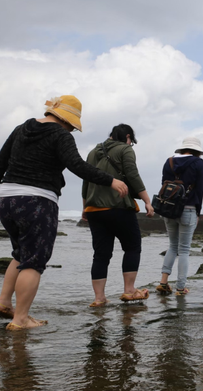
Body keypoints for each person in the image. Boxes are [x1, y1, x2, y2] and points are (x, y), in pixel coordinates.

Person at [0, 95, 128, 330]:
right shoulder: (61, 135)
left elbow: (1, 161)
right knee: (33, 261)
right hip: (37, 201)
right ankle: (20, 320)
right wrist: (110, 180)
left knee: (20, 252)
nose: (72, 128)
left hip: (7, 199)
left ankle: (3, 302)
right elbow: (77, 166)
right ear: (67, 120)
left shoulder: (21, 128)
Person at [82, 124, 155, 307]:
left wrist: (85, 206)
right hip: (119, 207)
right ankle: (129, 290)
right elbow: (132, 175)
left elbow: (86, 181)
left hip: (94, 210)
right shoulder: (125, 150)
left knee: (100, 254)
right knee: (132, 247)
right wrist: (147, 200)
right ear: (128, 136)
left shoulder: (92, 152)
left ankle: (99, 298)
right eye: (131, 141)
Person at [156, 137, 203, 296]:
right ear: (197, 151)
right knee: (184, 250)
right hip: (189, 209)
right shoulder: (198, 163)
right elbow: (199, 190)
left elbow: (164, 183)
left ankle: (163, 282)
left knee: (172, 246)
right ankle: (180, 287)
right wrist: (198, 212)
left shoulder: (168, 162)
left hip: (169, 208)